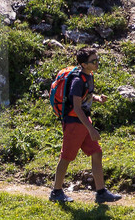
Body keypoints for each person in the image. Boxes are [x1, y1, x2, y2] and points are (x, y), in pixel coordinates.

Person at [49, 48, 121, 205]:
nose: (97, 63)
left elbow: (85, 96)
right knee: (66, 157)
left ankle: (101, 192)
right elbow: (76, 107)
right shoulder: (77, 81)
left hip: (82, 122)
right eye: (93, 61)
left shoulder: (88, 76)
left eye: (97, 60)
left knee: (97, 152)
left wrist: (96, 99)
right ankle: (56, 191)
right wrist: (91, 129)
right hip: (75, 123)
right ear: (83, 64)